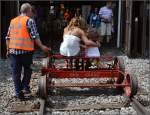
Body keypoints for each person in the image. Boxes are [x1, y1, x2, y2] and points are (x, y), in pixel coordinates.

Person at [5, 3, 50, 100]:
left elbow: (7, 37)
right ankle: (25, 87)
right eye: (31, 10)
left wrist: (7, 49)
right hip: (26, 52)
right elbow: (35, 36)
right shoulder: (29, 21)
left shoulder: (13, 21)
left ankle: (18, 92)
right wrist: (42, 47)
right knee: (28, 70)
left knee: (15, 73)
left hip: (13, 52)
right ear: (29, 10)